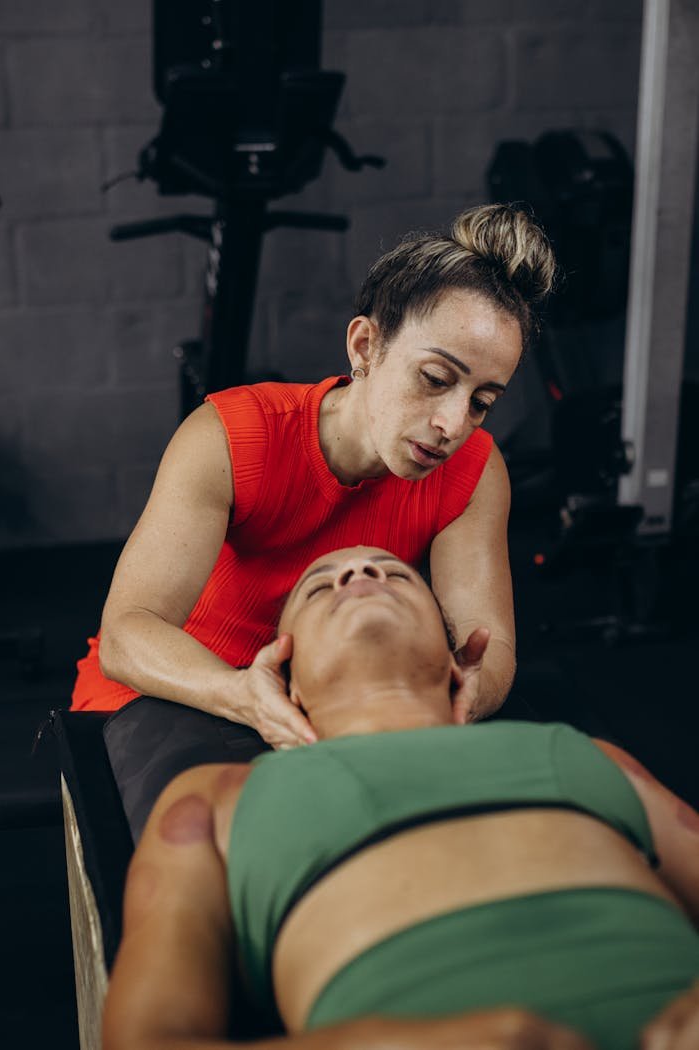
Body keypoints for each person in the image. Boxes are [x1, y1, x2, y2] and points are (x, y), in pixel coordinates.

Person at [103, 547, 699, 1050]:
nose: (359, 575)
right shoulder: (212, 801)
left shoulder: (589, 756)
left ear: (455, 662)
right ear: (286, 681)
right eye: (319, 588)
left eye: (395, 574)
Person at [71, 204, 555, 815]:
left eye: (482, 401)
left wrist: (460, 695)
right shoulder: (230, 437)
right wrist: (240, 693)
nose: (453, 424)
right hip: (175, 691)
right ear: (365, 346)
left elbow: (494, 648)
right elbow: (128, 634)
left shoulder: (474, 471)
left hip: (334, 700)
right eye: (435, 378)